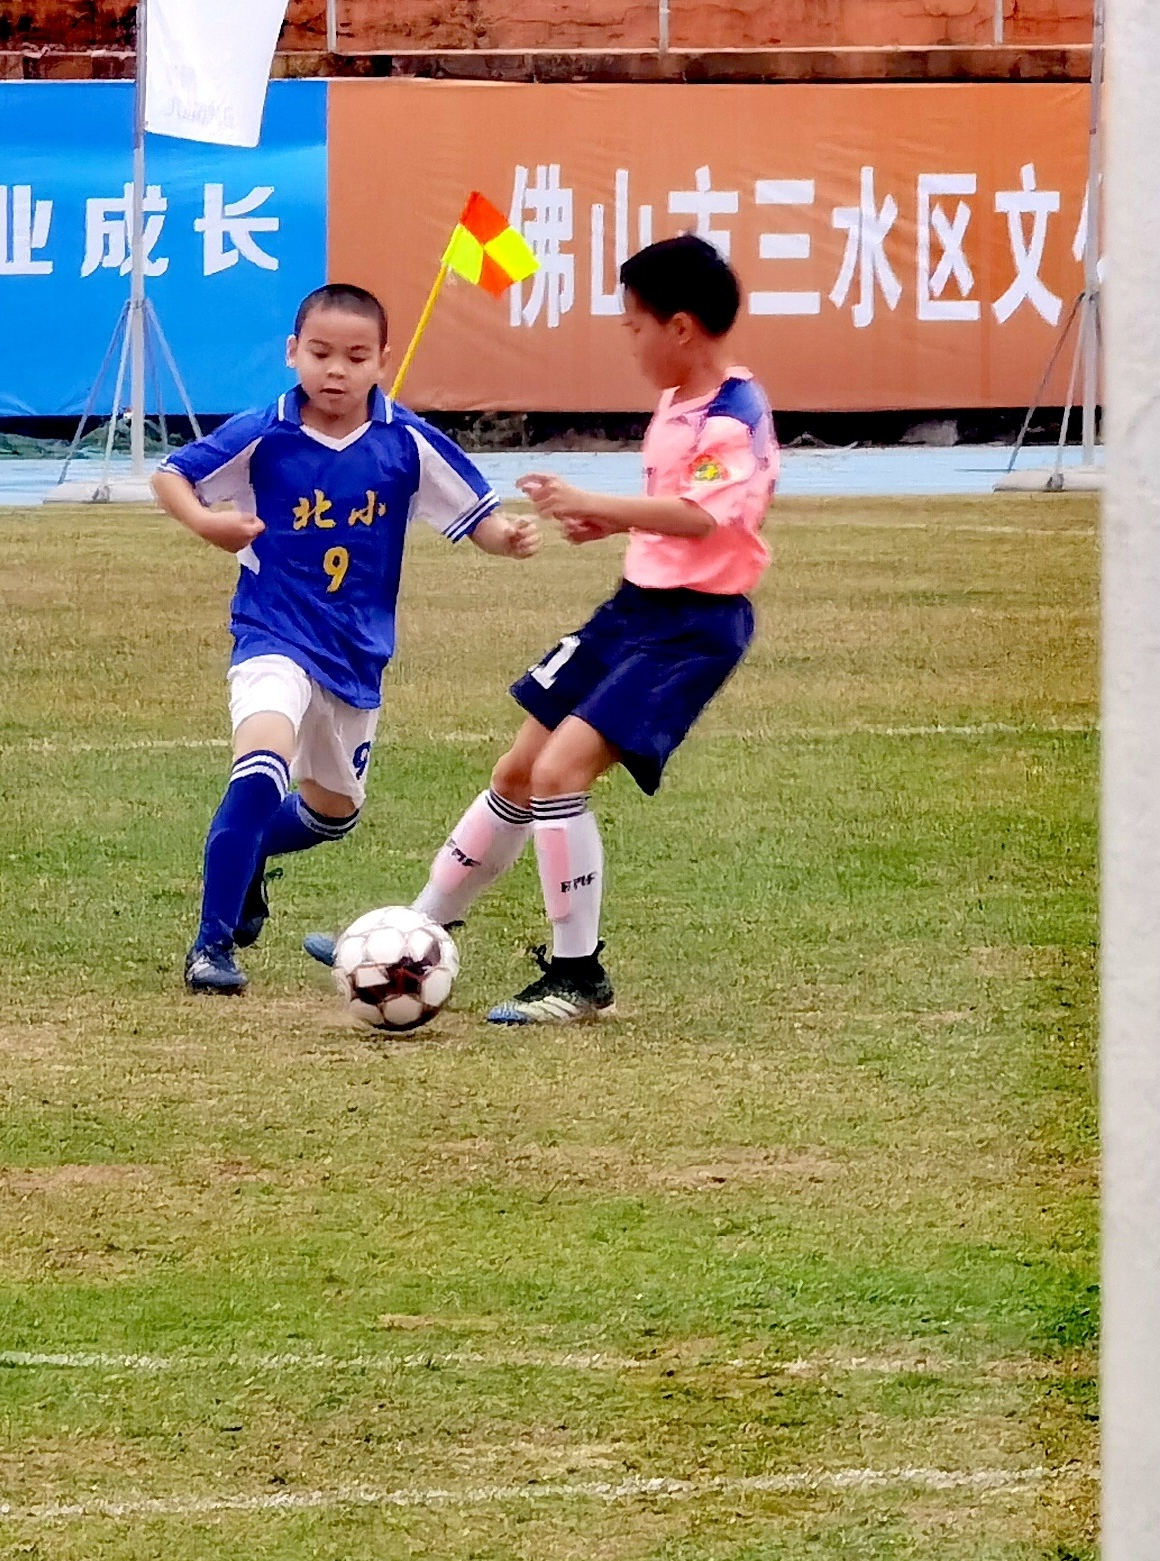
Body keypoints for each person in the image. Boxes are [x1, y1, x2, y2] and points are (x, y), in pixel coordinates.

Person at [322, 234, 772, 1027]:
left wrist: (593, 502)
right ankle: (421, 930)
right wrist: (611, 529)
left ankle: (577, 974)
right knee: (520, 767)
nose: (628, 342)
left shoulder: (734, 416)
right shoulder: (678, 406)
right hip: (635, 608)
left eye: (634, 325)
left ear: (680, 327)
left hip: (692, 628)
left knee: (562, 773)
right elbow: (673, 513)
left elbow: (703, 516)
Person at [151, 283, 541, 996]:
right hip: (272, 634)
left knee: (335, 811)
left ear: (383, 362)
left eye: (356, 356)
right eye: (321, 353)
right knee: (260, 762)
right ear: (292, 352)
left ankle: (250, 863)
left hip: (356, 655)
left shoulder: (405, 441)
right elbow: (173, 475)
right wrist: (207, 524)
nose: (336, 370)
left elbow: (475, 513)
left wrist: (505, 537)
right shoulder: (265, 433)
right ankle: (211, 946)